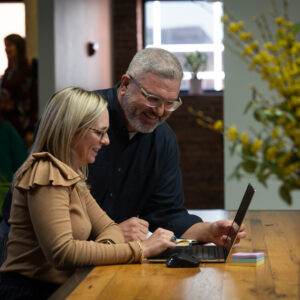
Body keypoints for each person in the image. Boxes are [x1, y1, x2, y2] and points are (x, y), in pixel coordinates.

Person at [0, 48, 246, 265]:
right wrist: (129, 244)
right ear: (126, 84)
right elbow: (58, 245)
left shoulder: (163, 140)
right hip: (38, 266)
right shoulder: (76, 120)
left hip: (101, 260)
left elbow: (166, 213)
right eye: (152, 99)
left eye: (170, 103)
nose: (160, 112)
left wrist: (207, 231)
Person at [0, 87, 176, 299]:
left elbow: (110, 227)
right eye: (99, 132)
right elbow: (63, 253)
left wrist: (98, 249)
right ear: (72, 130)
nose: (106, 141)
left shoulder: (70, 176)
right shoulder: (47, 172)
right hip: (28, 292)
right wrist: (140, 249)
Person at [0, 34, 38, 148]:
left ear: (18, 47)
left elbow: (34, 98)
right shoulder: (8, 72)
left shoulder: (28, 70)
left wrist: (31, 129)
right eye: (5, 46)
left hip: (22, 125)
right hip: (6, 123)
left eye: (10, 45)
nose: (6, 49)